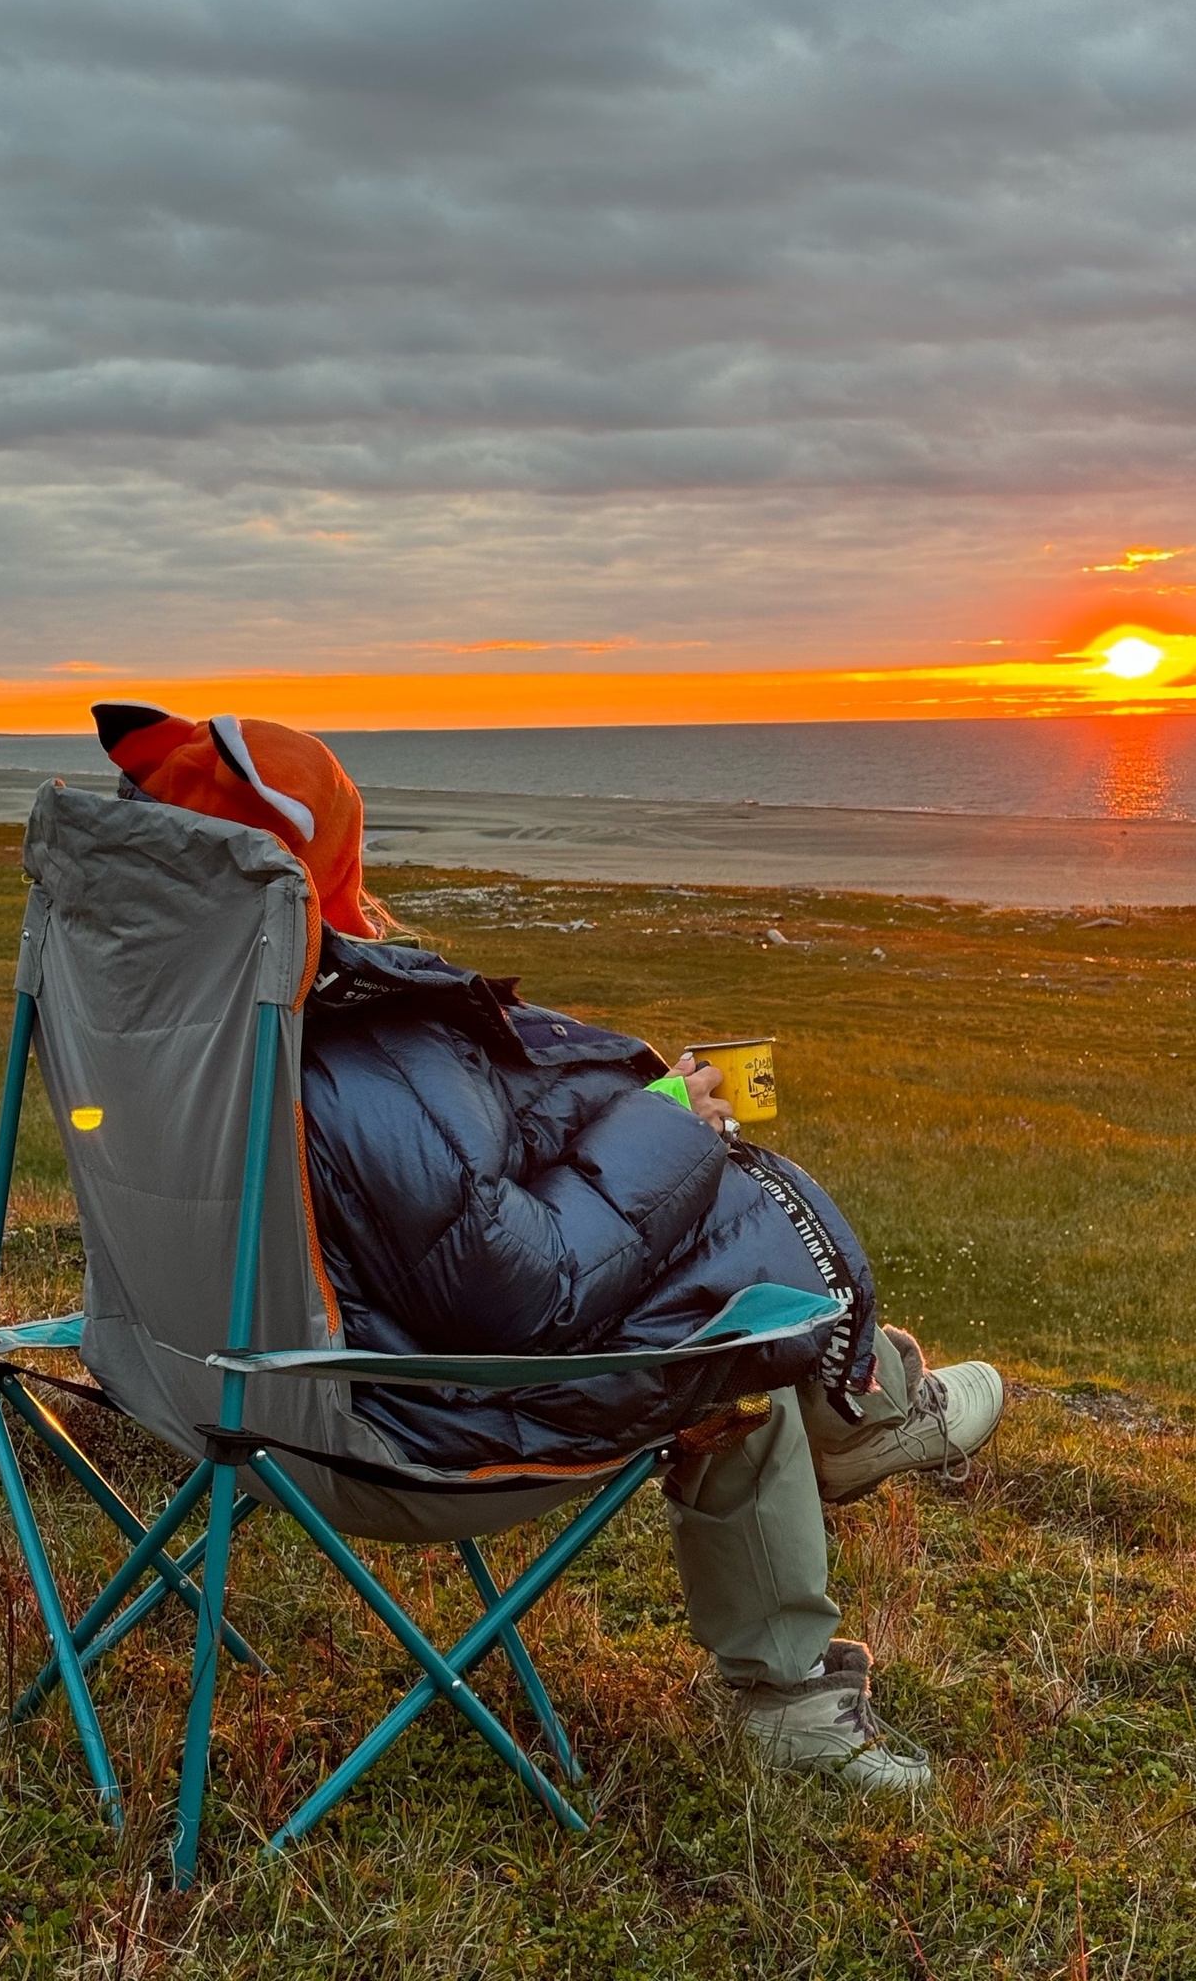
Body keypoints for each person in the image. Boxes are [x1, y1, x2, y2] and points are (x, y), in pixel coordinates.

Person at [93, 702, 1005, 1791]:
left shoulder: (151, 1012)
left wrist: (623, 1107)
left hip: (191, 1375)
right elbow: (523, 1292)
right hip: (384, 1428)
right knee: (723, 1340)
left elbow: (425, 1206)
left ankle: (865, 1408)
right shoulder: (356, 1044)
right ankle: (855, 1452)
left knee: (699, 1292)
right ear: (315, 859)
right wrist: (670, 1124)